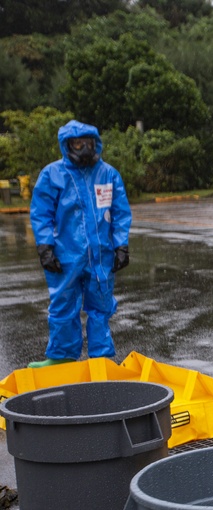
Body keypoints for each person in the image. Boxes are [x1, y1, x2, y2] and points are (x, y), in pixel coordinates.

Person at [27, 120, 132, 369]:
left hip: (101, 255)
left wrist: (121, 245)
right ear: (67, 145)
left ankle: (102, 358)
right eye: (78, 143)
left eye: (89, 142)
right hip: (65, 255)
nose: (84, 148)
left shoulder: (108, 174)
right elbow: (41, 212)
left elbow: (120, 212)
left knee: (101, 306)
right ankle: (62, 356)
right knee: (63, 303)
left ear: (97, 143)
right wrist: (45, 247)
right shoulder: (53, 175)